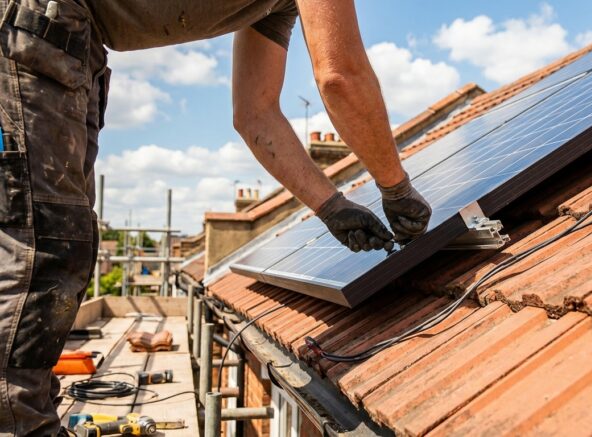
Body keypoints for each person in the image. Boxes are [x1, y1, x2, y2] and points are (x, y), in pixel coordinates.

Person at [0, 0, 431, 435]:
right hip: (37, 22)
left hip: (74, 41)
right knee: (44, 243)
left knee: (59, 238)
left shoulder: (272, 7)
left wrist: (331, 205)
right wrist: (396, 188)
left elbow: (255, 114)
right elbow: (341, 77)